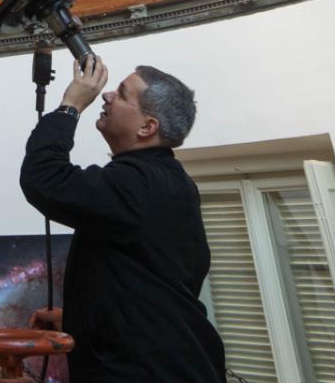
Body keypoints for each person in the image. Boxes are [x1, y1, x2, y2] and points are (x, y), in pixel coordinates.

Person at [19, 55, 226, 382]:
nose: (106, 96)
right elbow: (150, 282)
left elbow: (44, 179)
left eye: (122, 93)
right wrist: (79, 317)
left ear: (147, 127)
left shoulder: (138, 184)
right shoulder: (164, 181)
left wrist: (70, 104)